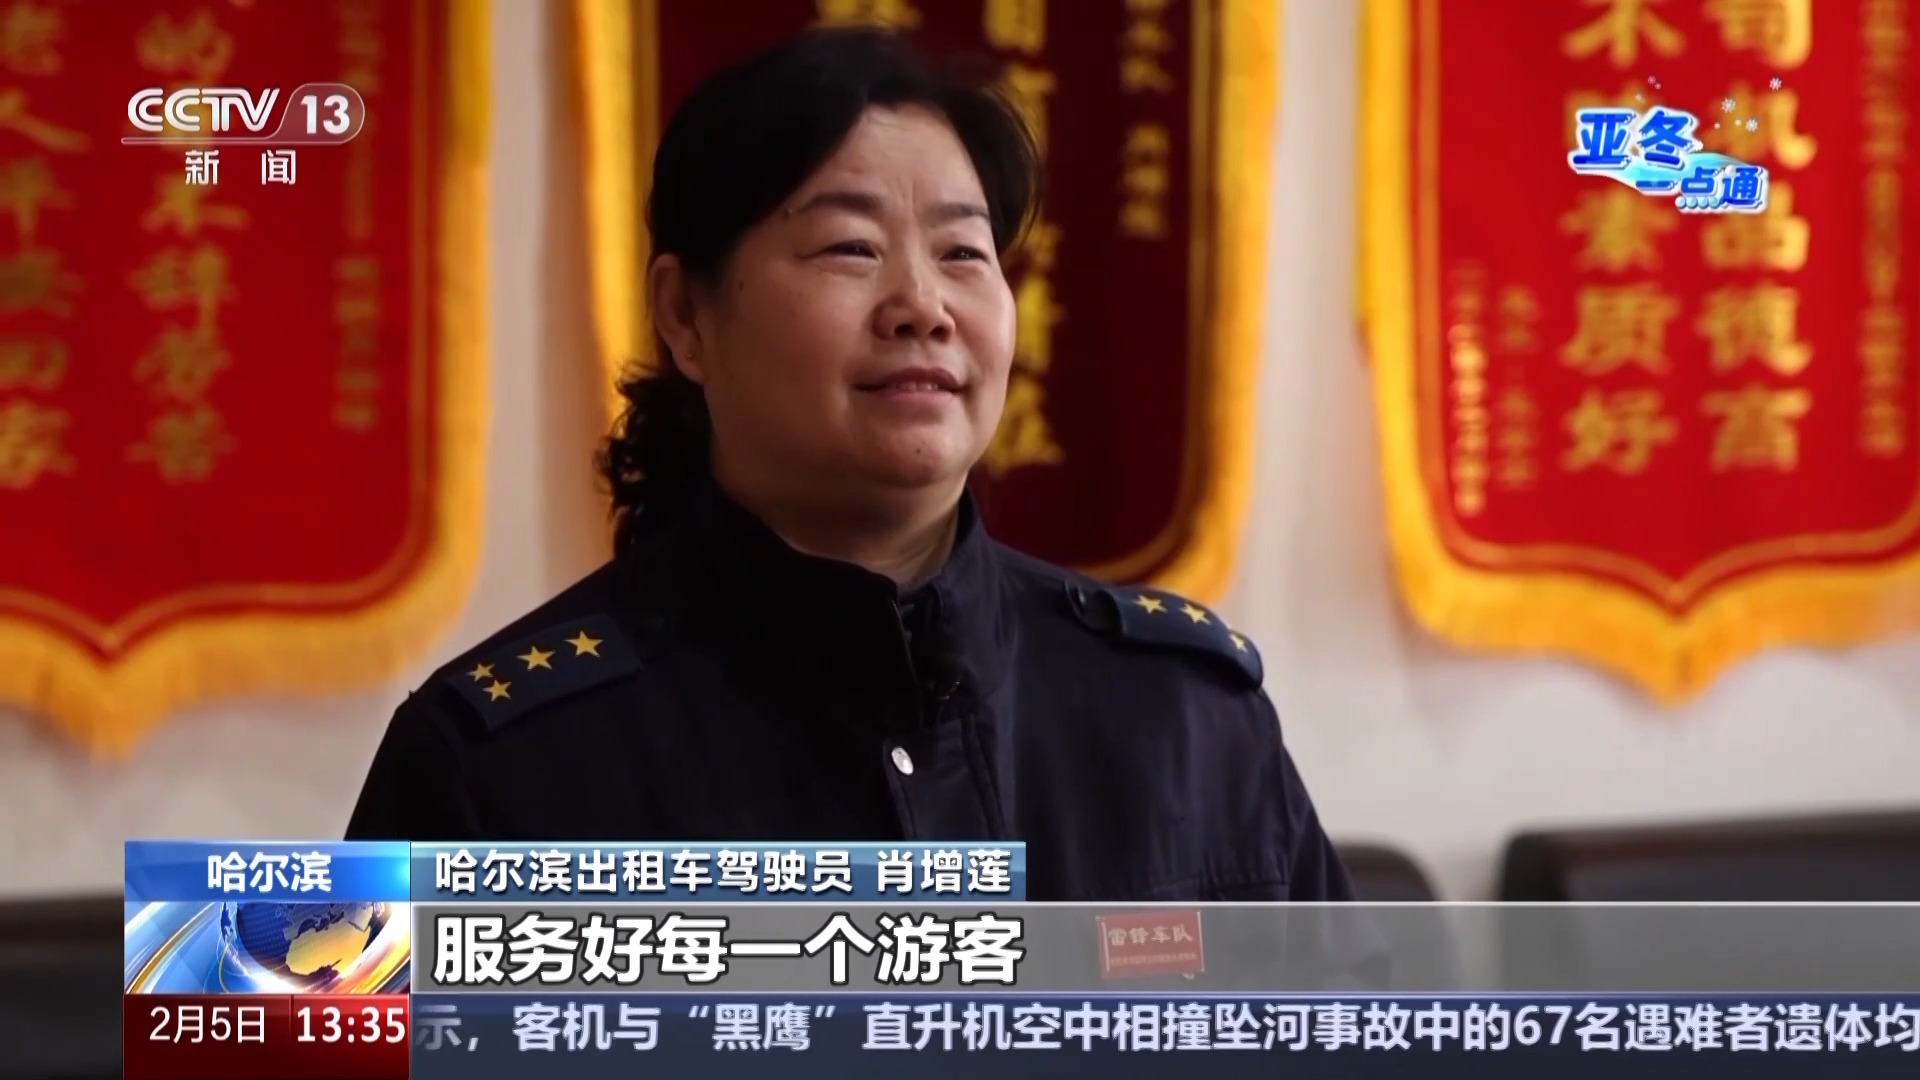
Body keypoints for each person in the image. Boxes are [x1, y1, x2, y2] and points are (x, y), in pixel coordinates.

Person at [346, 26, 1358, 905]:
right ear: (687, 316)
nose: (924, 306)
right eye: (849, 249)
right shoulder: (500, 763)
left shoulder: (1188, 720)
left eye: (964, 255)